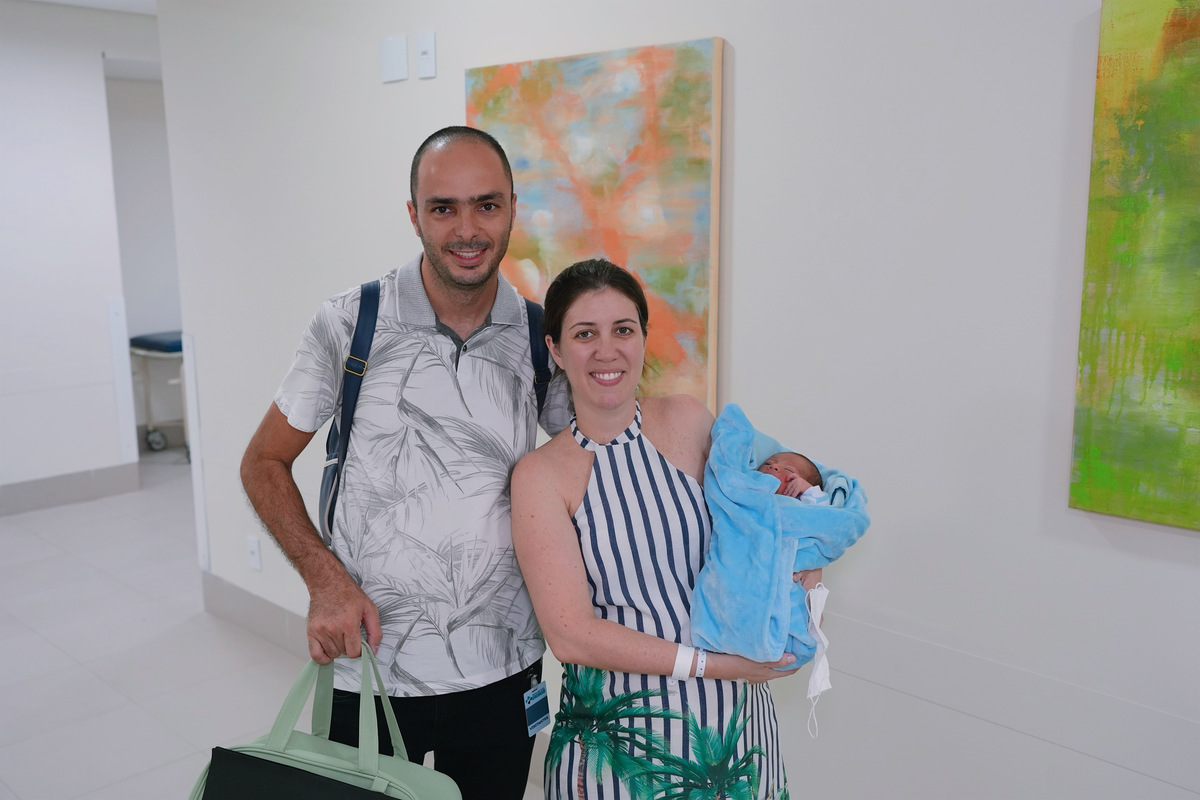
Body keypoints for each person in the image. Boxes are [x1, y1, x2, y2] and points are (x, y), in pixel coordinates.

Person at [240, 126, 567, 800]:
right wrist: (325, 582)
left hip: (504, 665)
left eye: (486, 205)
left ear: (512, 209)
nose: (467, 230)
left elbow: (611, 456)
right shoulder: (350, 322)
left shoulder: (541, 337)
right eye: (444, 208)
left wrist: (766, 477)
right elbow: (263, 461)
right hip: (368, 667)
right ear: (414, 215)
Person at [510, 258, 795, 800]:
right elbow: (571, 634)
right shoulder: (540, 477)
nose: (606, 351)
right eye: (585, 334)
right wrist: (715, 665)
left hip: (739, 737)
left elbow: (779, 506)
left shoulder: (691, 420)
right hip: (620, 753)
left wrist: (806, 570)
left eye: (622, 330)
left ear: (643, 337)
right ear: (555, 349)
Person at [758, 450, 828, 503]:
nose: (774, 466)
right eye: (768, 463)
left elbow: (822, 513)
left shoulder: (798, 503)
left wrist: (809, 491)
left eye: (788, 470)